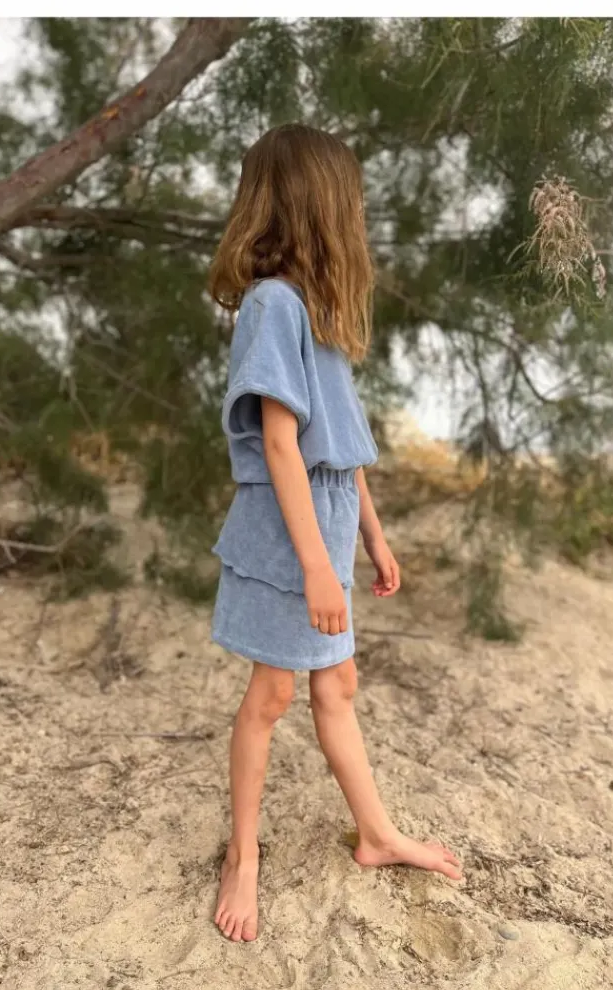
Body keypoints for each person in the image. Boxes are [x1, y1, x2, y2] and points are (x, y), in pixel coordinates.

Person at [206, 124, 463, 944]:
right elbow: (282, 445)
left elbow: (339, 452)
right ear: (316, 205)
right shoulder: (272, 306)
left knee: (337, 685)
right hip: (288, 537)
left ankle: (378, 835)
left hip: (329, 525)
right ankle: (242, 857)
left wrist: (374, 539)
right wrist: (319, 568)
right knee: (272, 694)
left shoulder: (317, 313)